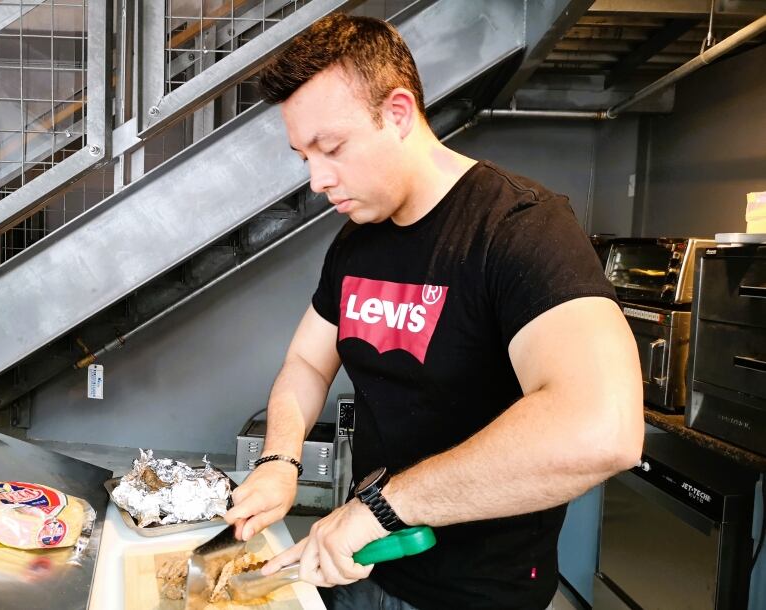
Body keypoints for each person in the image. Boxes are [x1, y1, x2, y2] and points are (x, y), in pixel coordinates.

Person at [224, 13, 644, 610]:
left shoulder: (519, 226)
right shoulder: (356, 240)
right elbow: (305, 363)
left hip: (474, 594)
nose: (318, 180)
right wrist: (278, 459)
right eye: (303, 156)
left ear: (397, 114)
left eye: (332, 148)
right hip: (362, 569)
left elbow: (603, 427)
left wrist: (384, 508)